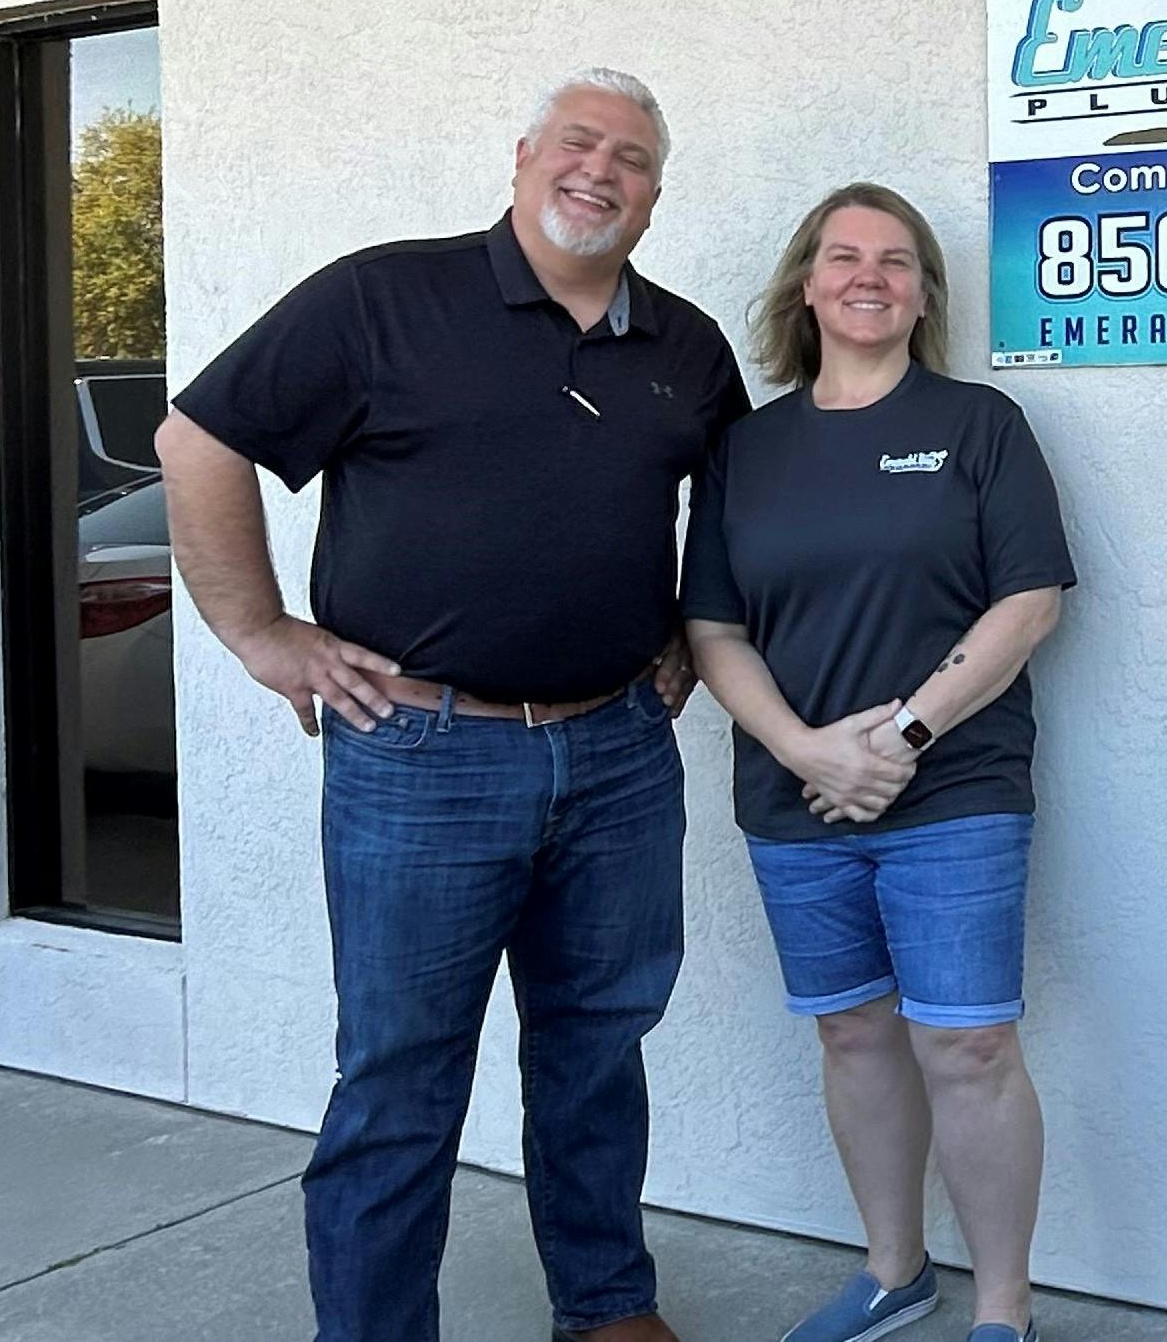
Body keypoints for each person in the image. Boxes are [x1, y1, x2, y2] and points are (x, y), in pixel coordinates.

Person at [154, 68, 748, 1342]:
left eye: (633, 157)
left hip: (619, 754)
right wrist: (260, 632)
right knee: (401, 1079)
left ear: (655, 192)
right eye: (578, 143)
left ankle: (604, 1307)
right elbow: (199, 437)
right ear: (524, 156)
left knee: (597, 1054)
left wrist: (693, 637)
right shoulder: (384, 297)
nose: (601, 170)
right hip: (422, 754)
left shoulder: (685, 344)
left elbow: (736, 505)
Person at [682, 183, 1074, 1342]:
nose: (871, 276)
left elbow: (1032, 600)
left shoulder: (977, 425)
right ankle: (895, 1273)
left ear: (922, 294)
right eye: (845, 256)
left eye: (897, 261)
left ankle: (1002, 1311)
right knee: (852, 1032)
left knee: (969, 1041)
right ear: (806, 283)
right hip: (794, 796)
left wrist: (901, 737)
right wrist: (809, 748)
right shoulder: (746, 449)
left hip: (953, 788)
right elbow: (712, 629)